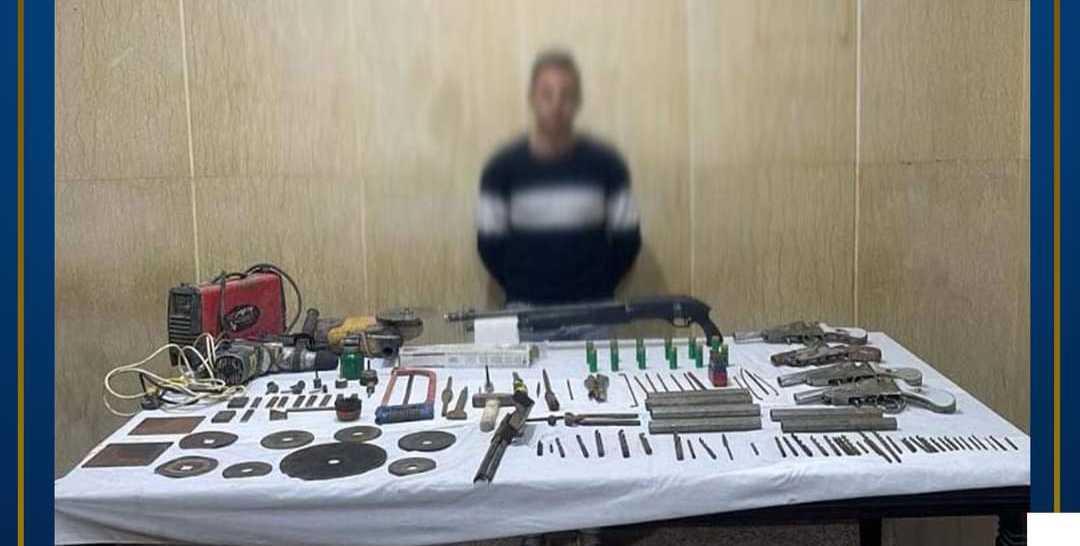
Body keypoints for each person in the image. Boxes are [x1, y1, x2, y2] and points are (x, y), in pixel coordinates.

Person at [476, 48, 642, 344]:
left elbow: (628, 240)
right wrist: (526, 288)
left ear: (577, 101)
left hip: (595, 316)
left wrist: (595, 288)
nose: (556, 104)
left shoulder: (607, 166)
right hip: (527, 318)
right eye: (547, 93)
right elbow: (489, 245)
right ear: (532, 98)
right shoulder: (501, 170)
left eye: (566, 94)